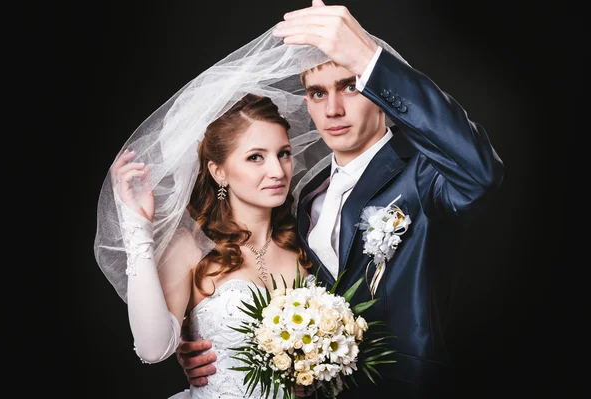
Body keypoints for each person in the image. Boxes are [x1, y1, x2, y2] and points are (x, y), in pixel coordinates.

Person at [175, 1, 505, 398]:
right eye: (317, 93)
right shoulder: (303, 200)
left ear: (377, 90)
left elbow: (480, 171)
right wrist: (215, 345)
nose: (332, 109)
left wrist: (369, 59)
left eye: (350, 86)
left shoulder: (426, 175)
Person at [96, 92, 320, 398]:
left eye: (283, 153)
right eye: (256, 157)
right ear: (219, 172)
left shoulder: (307, 239)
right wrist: (136, 227)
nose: (278, 171)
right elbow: (152, 348)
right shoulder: (189, 247)